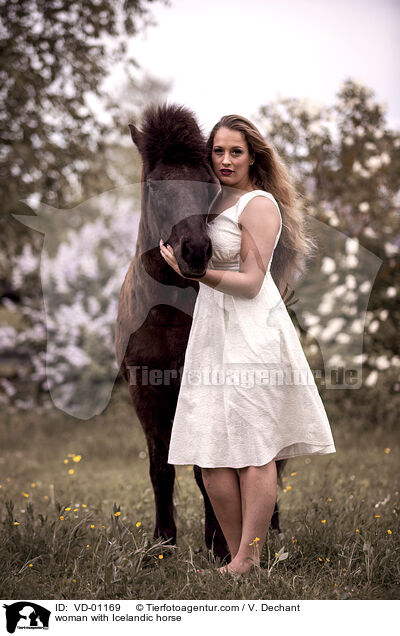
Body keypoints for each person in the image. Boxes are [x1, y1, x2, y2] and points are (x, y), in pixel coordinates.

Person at [159, 114, 336, 577]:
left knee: (254, 446)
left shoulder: (259, 205)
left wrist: (191, 274)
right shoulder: (212, 203)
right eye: (217, 151)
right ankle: (240, 559)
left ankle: (249, 558)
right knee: (211, 448)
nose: (225, 160)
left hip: (251, 329)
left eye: (235, 151)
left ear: (253, 154)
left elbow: (254, 283)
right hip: (212, 330)